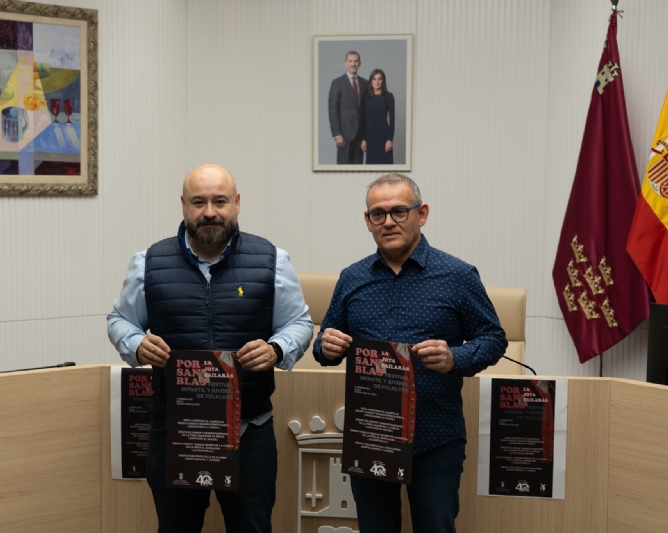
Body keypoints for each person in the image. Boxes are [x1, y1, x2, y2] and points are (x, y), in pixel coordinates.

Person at [107, 164, 313, 533]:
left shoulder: (272, 260)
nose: (209, 212)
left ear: (237, 203)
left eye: (220, 201)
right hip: (174, 433)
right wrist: (136, 344)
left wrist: (277, 349)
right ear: (183, 205)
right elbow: (120, 319)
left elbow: (298, 322)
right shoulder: (148, 263)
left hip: (250, 431)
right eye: (198, 202)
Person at [313, 173, 507, 533]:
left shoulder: (458, 275)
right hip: (371, 435)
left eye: (400, 211)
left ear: (422, 214)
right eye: (377, 214)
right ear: (367, 221)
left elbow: (493, 338)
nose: (388, 222)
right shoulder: (352, 278)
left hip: (435, 437)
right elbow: (325, 343)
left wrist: (455, 358)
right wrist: (325, 346)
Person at [328, 51, 370, 164]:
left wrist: (366, 137)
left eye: (356, 61)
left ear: (360, 63)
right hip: (344, 136)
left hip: (360, 136)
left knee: (358, 168)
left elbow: (367, 112)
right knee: (343, 169)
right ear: (345, 63)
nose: (353, 64)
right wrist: (337, 134)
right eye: (350, 61)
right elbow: (333, 110)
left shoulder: (365, 83)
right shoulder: (337, 83)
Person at [360, 69, 395, 164]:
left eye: (379, 79)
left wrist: (389, 139)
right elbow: (365, 120)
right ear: (371, 81)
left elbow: (392, 121)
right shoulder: (367, 98)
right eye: (374, 79)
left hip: (383, 136)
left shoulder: (388, 96)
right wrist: (364, 139)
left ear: (383, 81)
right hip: (370, 137)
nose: (377, 82)